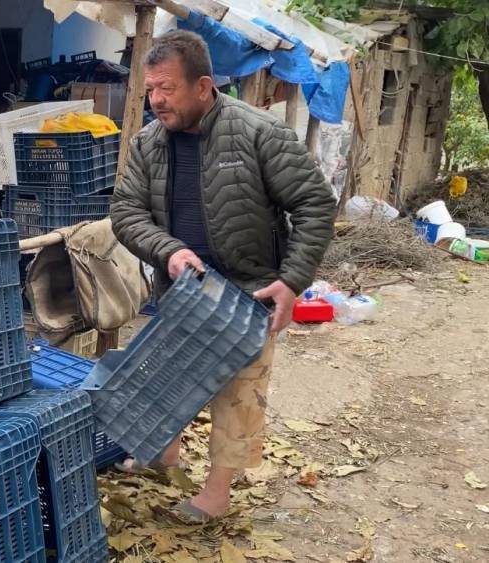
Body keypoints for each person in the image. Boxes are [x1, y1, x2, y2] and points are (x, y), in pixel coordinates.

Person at [109, 30, 337, 523]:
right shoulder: (149, 143)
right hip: (185, 290)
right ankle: (164, 453)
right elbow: (126, 211)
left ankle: (216, 494)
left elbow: (315, 203)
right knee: (170, 376)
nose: (156, 100)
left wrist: (292, 281)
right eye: (150, 89)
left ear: (203, 86)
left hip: (250, 291)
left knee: (239, 395)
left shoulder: (259, 132)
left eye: (167, 88)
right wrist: (169, 251)